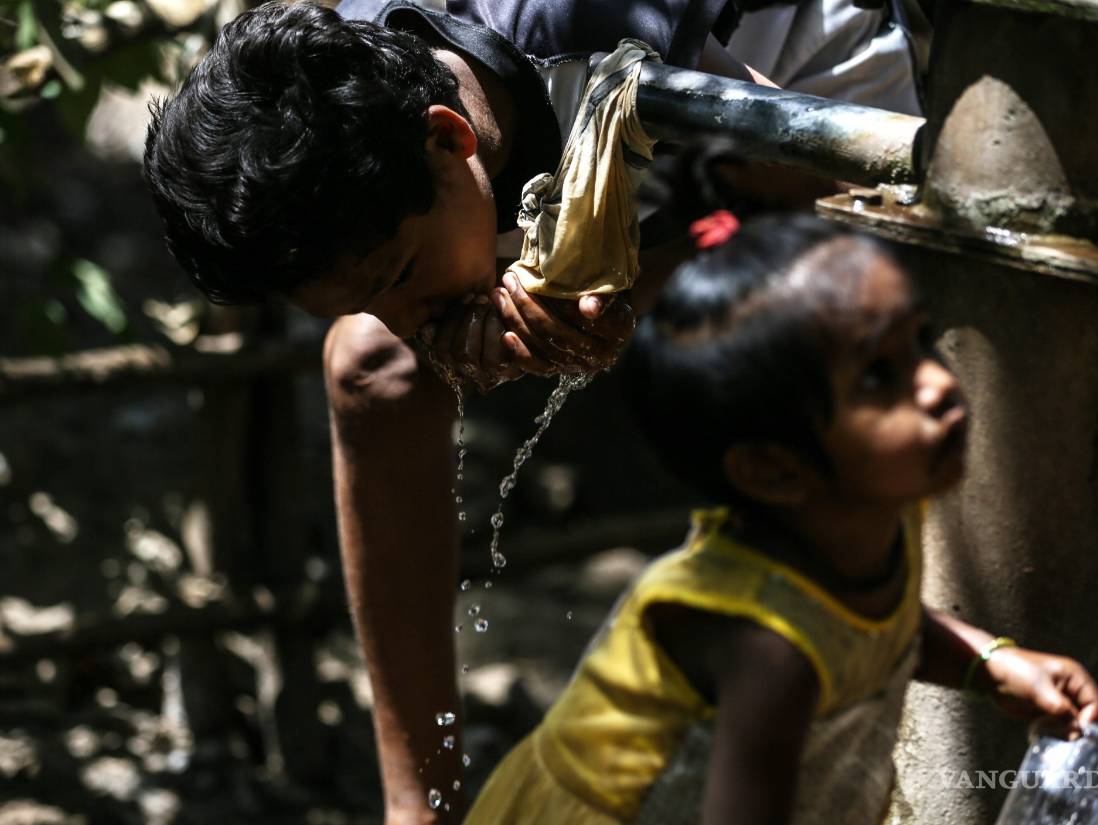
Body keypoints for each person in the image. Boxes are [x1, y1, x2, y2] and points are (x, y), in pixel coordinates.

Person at [141, 2, 784, 821]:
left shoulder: (601, 38)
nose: (410, 320)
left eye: (400, 276)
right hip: (705, 172)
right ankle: (422, 804)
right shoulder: (363, 69)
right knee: (371, 363)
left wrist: (627, 286)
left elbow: (814, 179)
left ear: (449, 139)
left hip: (873, 115)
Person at [461, 208, 1098, 825]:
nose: (936, 384)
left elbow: (874, 625)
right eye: (879, 376)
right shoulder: (767, 652)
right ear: (772, 469)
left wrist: (986, 665)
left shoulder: (871, 518)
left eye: (921, 344)